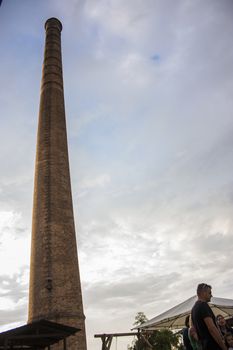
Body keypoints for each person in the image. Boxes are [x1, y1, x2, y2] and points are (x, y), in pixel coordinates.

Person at [191, 283, 227, 350]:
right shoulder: (203, 305)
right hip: (213, 345)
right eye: (209, 293)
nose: (211, 295)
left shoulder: (193, 309)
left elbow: (193, 331)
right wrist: (223, 347)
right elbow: (212, 328)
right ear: (204, 293)